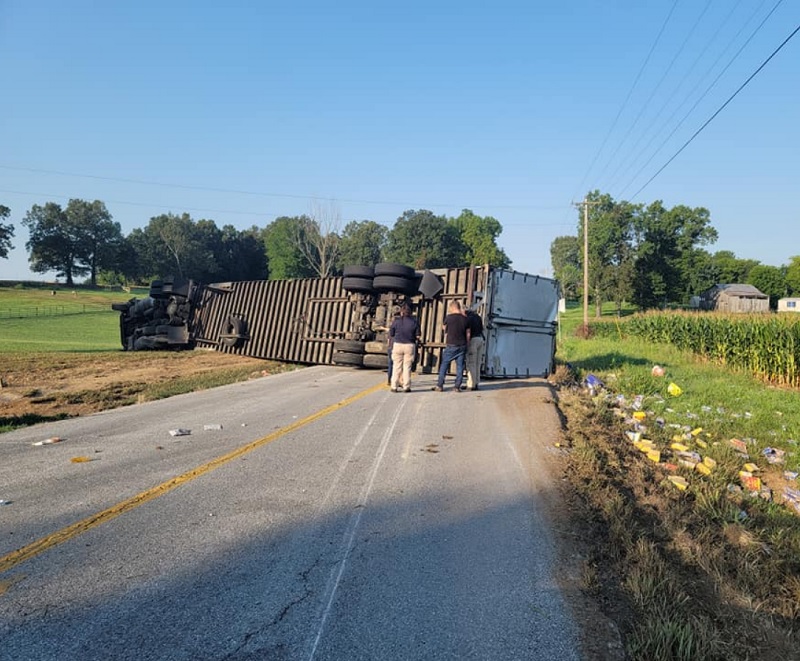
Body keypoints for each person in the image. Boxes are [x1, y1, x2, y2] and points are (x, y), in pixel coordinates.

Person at [433, 300, 470, 392]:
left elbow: (444, 327)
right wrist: (467, 344)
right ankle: (457, 386)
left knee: (444, 365)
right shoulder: (465, 319)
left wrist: (446, 330)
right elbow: (468, 333)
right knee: (460, 366)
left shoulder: (449, 317)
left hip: (451, 345)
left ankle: (440, 385)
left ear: (453, 307)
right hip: (462, 345)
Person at [389, 303, 420, 392]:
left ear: (402, 312)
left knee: (396, 366)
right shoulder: (414, 322)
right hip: (409, 345)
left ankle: (394, 386)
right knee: (407, 367)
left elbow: (391, 333)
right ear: (410, 313)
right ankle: (406, 386)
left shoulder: (396, 321)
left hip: (398, 345)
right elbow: (418, 336)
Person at [465, 306, 485, 391]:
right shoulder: (478, 317)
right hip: (481, 340)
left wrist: (467, 343)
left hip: (473, 340)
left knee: (471, 363)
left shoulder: (468, 319)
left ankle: (471, 385)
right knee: (477, 363)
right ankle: (476, 383)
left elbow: (468, 332)